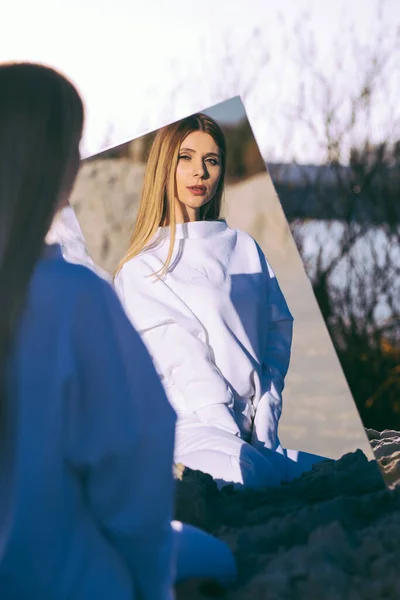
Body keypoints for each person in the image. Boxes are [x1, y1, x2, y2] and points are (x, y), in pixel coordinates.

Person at [0, 63, 236, 600]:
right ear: (53, 161)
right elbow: (133, 475)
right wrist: (154, 585)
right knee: (214, 557)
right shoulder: (76, 300)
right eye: (73, 143)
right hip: (67, 580)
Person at [114, 113, 330, 490]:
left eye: (211, 161)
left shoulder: (244, 246)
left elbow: (277, 329)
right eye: (186, 157)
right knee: (251, 473)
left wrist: (268, 407)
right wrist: (223, 425)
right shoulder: (140, 267)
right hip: (187, 426)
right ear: (165, 165)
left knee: (333, 472)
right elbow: (180, 357)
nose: (200, 171)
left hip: (251, 430)